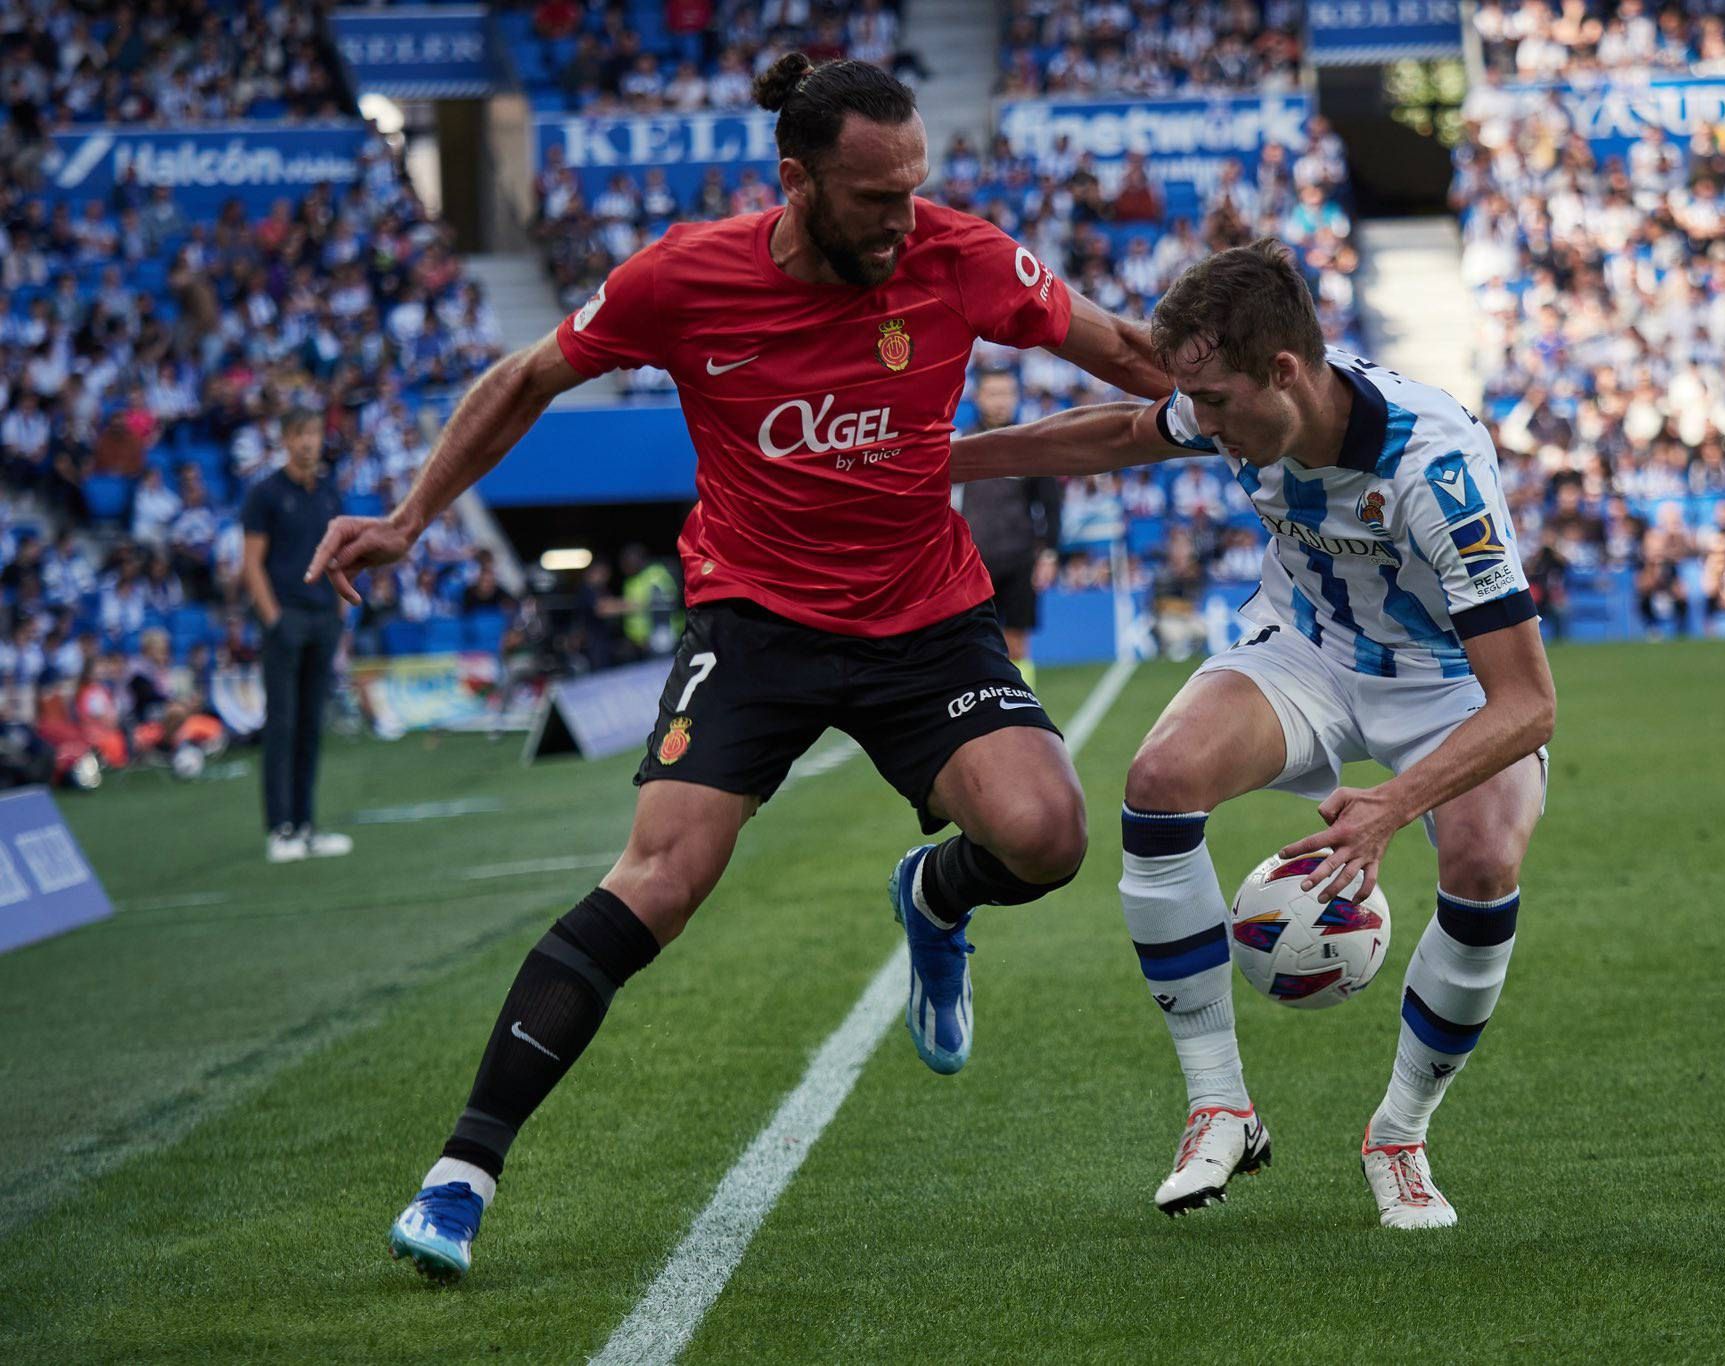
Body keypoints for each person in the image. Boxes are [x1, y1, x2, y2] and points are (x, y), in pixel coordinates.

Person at [307, 55, 1168, 1283]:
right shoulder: (682, 278)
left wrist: (1263, 407)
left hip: (925, 618)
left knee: (1048, 833)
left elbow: (1126, 350)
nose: (902, 217)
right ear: (796, 181)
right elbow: (525, 379)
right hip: (752, 624)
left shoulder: (959, 253)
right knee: (659, 879)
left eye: (915, 188)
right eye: (875, 196)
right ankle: (461, 1174)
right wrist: (406, 517)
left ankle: (935, 899)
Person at [950, 241, 1554, 1229]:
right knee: (1158, 777)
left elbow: (1526, 702)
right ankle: (1219, 1107)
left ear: (1285, 371)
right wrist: (944, 462)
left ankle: (1398, 1137)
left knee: (1483, 864)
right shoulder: (1230, 412)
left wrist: (1391, 807)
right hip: (1308, 651)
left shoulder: (1433, 466)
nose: (1207, 429)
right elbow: (1108, 436)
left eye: (1219, 404)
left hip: (1445, 684)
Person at [242, 408, 354, 864]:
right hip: (285, 617)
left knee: (311, 724)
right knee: (282, 725)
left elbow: (341, 554)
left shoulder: (329, 491)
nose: (308, 442)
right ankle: (279, 829)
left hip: (322, 617)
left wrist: (341, 610)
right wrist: (272, 618)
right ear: (285, 441)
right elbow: (251, 563)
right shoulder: (265, 494)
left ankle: (306, 825)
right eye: (299, 435)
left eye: (313, 433)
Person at [958, 370, 1061, 686]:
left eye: (1007, 393)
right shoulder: (961, 446)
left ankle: (1025, 707)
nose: (1001, 401)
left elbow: (1050, 505)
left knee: (1017, 642)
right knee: (971, 643)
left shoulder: (1028, 446)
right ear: (978, 397)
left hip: (1019, 559)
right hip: (973, 563)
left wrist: (1049, 554)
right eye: (993, 393)